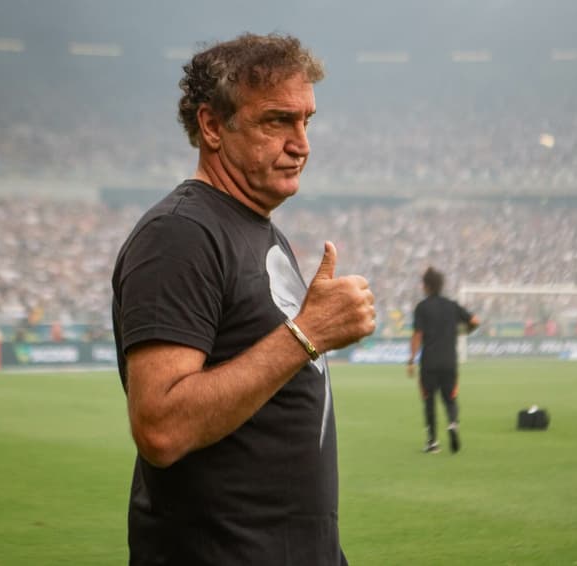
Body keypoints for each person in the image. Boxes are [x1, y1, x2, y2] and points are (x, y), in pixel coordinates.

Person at [111, 33, 375, 565]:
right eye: (277, 120)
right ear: (212, 126)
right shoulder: (180, 235)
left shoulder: (256, 230)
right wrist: (308, 334)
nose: (301, 142)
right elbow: (160, 427)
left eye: (307, 121)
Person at [407, 267, 479, 454]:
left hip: (429, 363)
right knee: (451, 398)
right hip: (449, 362)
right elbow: (475, 321)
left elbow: (417, 335)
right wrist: (464, 331)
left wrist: (411, 360)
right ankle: (453, 423)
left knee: (429, 401)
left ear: (427, 286)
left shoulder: (422, 308)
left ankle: (432, 443)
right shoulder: (452, 305)